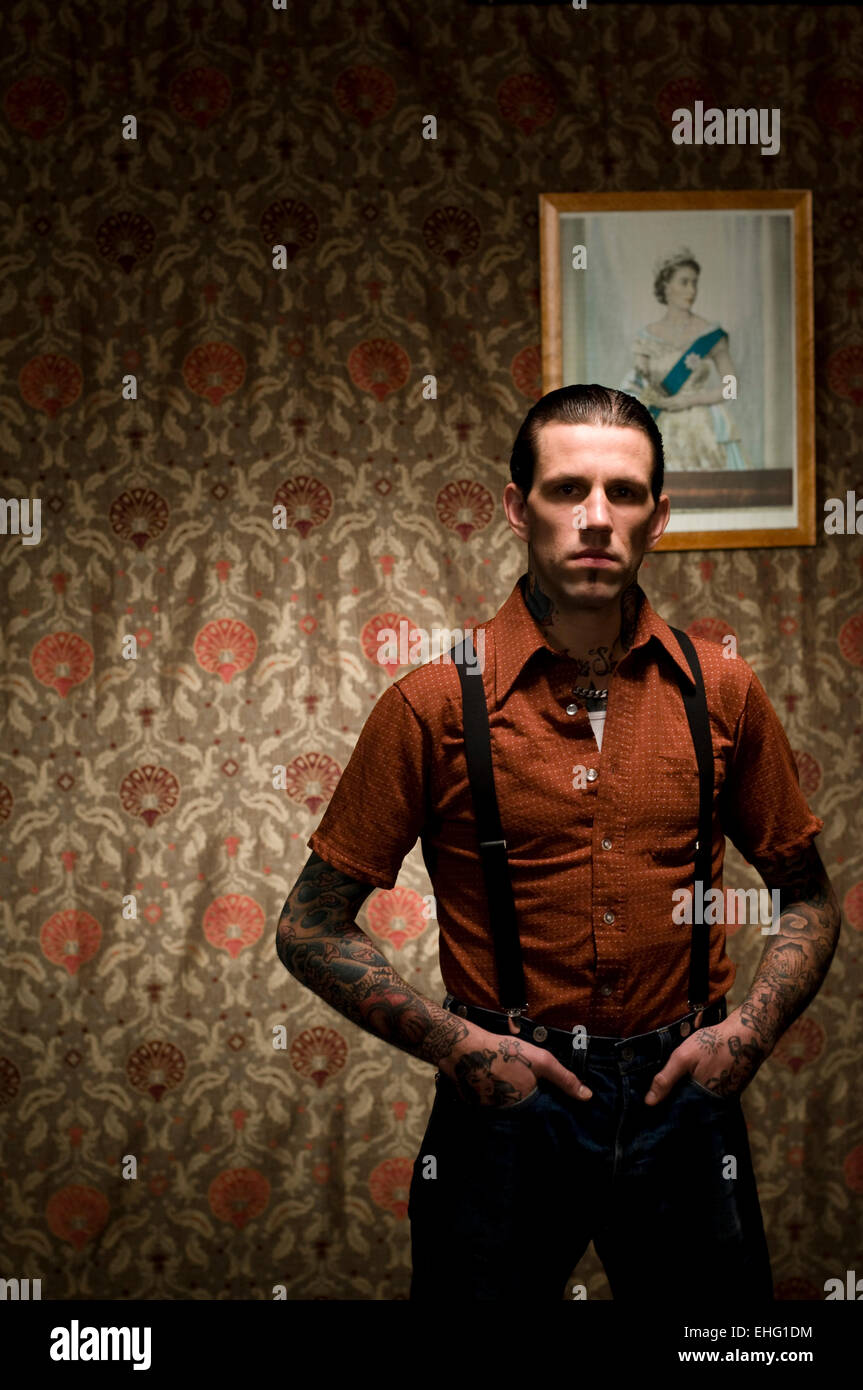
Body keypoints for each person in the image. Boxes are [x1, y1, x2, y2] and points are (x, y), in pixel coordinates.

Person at [275, 384, 840, 1302]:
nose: (595, 518)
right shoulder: (430, 703)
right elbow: (308, 926)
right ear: (516, 507)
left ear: (658, 518)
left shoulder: (724, 692)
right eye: (567, 489)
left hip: (683, 1102)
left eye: (624, 493)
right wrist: (461, 1049)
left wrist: (747, 1034)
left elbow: (807, 895)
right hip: (505, 1108)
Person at [620, 247, 750, 471]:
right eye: (684, 282)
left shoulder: (710, 334)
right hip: (660, 425)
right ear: (666, 285)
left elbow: (731, 388)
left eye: (695, 283)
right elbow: (636, 386)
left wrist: (690, 400)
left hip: (702, 425)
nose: (692, 290)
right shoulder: (646, 338)